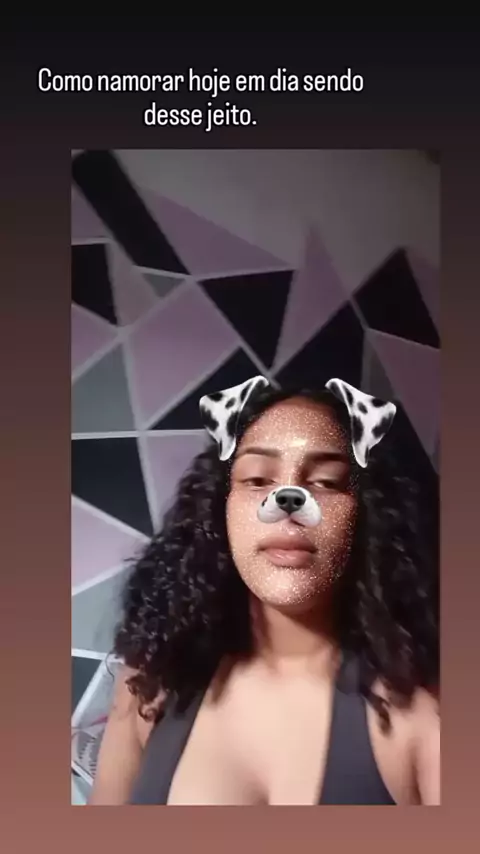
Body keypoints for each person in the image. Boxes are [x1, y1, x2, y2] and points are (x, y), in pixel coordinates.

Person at [89, 376, 440, 806]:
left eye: (326, 481)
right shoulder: (151, 683)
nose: (290, 499)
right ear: (220, 505)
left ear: (365, 513)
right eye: (257, 479)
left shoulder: (421, 712)